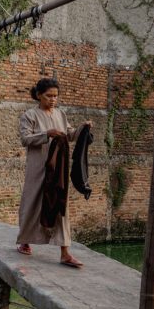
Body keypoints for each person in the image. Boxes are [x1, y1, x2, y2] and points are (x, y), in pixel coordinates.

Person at [16, 78, 92, 268]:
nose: (53, 100)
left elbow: (70, 135)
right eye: (49, 96)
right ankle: (24, 241)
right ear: (39, 95)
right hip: (38, 168)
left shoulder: (60, 114)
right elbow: (25, 139)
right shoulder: (30, 115)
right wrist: (46, 134)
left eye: (55, 96)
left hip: (58, 168)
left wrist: (83, 128)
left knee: (60, 204)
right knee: (33, 203)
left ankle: (65, 253)